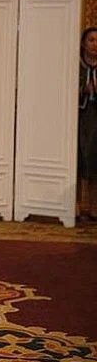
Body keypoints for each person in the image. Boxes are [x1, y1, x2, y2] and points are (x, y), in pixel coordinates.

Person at [79, 27, 97, 222]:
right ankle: (74, 205)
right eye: (91, 40)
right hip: (78, 116)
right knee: (77, 158)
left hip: (95, 116)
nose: (95, 44)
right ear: (84, 44)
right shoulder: (76, 65)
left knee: (94, 160)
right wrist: (83, 89)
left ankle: (93, 206)